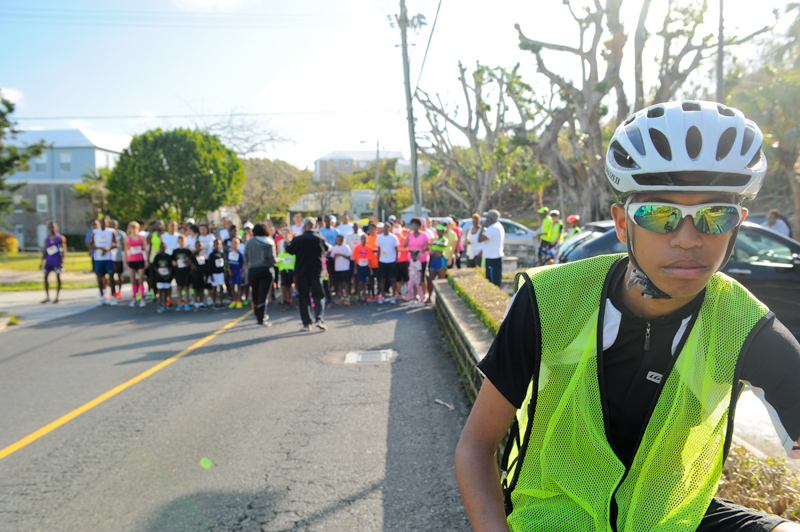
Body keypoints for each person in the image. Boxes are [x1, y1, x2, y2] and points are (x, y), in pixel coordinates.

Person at [456, 100, 800, 532]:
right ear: (622, 223)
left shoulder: (745, 324)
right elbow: (476, 445)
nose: (689, 239)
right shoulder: (548, 300)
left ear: (738, 224)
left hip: (669, 517)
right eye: (659, 215)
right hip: (553, 517)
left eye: (715, 215)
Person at [285, 217, 330, 331]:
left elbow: (289, 250)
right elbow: (326, 248)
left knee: (304, 297)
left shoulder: (298, 239)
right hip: (316, 271)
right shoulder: (319, 238)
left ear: (304, 226)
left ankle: (307, 323)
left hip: (302, 271)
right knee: (318, 296)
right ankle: (319, 319)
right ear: (314, 226)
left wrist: (289, 240)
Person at [244, 223, 276, 326]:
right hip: (266, 270)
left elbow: (246, 257)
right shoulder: (269, 242)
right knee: (263, 294)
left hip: (253, 270)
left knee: (255, 293)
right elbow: (273, 259)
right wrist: (281, 259)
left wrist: (249, 266)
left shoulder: (249, 243)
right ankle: (261, 318)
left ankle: (258, 315)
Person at [91, 218, 118, 306]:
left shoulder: (111, 231)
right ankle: (103, 296)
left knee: (111, 277)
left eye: (104, 223)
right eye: (101, 223)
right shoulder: (95, 232)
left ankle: (112, 297)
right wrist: (100, 248)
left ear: (107, 224)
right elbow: (89, 244)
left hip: (109, 258)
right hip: (98, 258)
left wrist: (107, 249)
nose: (103, 224)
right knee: (100, 277)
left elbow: (116, 244)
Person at [405, 217, 431, 302]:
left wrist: (420, 252)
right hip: (412, 260)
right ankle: (415, 295)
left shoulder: (424, 235)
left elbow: (427, 246)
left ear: (419, 226)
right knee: (413, 277)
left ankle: (424, 294)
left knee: (422, 277)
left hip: (422, 259)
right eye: (412, 225)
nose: (413, 227)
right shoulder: (410, 235)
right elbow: (405, 245)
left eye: (415, 225)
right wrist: (407, 237)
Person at [40, 221, 66, 304]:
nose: (52, 228)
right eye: (50, 227)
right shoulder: (47, 238)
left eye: (53, 227)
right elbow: (45, 250)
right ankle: (47, 296)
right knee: (45, 277)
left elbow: (64, 250)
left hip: (56, 261)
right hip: (49, 261)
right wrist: (42, 261)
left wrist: (62, 261)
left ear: (56, 227)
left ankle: (57, 297)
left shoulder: (60, 238)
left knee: (58, 278)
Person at [477, 209, 504, 287]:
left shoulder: (493, 228)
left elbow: (479, 239)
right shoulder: (498, 225)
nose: (486, 220)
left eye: (487, 218)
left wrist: (482, 227)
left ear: (491, 219)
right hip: (495, 256)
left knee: (492, 282)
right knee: (496, 280)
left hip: (492, 258)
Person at [125, 221, 148, 308]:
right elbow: (126, 251)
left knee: (141, 280)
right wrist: (125, 262)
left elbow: (145, 249)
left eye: (136, 228)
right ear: (130, 229)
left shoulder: (141, 238)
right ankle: (135, 298)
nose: (135, 230)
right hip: (132, 260)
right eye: (133, 228)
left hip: (140, 260)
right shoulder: (127, 239)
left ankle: (142, 298)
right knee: (133, 280)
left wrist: (146, 260)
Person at [376, 221, 399, 304]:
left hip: (391, 261)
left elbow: (396, 249)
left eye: (387, 227)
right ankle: (383, 297)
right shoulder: (379, 237)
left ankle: (393, 296)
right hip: (382, 261)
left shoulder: (393, 237)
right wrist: (378, 259)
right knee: (382, 279)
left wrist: (396, 259)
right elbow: (379, 249)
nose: (385, 229)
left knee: (392, 279)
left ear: (390, 228)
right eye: (384, 228)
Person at [172, 235, 194, 311]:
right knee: (179, 287)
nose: (181, 242)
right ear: (177, 241)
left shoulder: (187, 251)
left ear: (185, 241)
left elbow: (191, 260)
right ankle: (180, 303)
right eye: (180, 240)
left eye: (182, 240)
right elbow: (172, 260)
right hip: (178, 271)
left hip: (186, 271)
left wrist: (187, 262)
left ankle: (187, 303)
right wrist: (174, 263)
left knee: (186, 287)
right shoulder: (175, 251)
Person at [275, 227, 295, 311]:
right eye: (283, 232)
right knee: (283, 285)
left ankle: (289, 299)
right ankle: (283, 300)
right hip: (283, 266)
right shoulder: (280, 242)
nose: (285, 234)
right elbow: (279, 253)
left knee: (289, 285)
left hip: (290, 267)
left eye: (286, 232)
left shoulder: (292, 241)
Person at [152, 242, 173, 313]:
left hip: (167, 276)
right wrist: (160, 275)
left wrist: (169, 275)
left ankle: (165, 304)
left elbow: (170, 267)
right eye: (161, 247)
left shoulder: (168, 257)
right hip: (160, 277)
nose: (162, 248)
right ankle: (160, 305)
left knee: (166, 291)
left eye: (163, 247)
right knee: (160, 291)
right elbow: (155, 267)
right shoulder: (157, 257)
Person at [330, 234, 352, 305]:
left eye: (339, 240)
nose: (338, 241)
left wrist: (341, 255)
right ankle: (341, 297)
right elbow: (332, 258)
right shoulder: (334, 247)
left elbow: (349, 257)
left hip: (345, 268)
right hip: (337, 268)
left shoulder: (346, 247)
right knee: (339, 283)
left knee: (345, 283)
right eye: (337, 240)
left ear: (342, 240)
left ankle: (347, 297)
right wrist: (335, 256)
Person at [352, 233, 372, 304]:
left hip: (366, 266)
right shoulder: (357, 248)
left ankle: (364, 296)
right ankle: (359, 296)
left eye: (365, 238)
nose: (364, 240)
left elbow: (370, 259)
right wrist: (355, 268)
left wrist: (371, 269)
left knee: (365, 282)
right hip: (359, 266)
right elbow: (355, 259)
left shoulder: (369, 248)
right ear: (360, 239)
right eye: (362, 238)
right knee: (360, 282)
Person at [227, 237, 245, 309]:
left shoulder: (240, 254)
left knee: (239, 287)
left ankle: (239, 301)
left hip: (238, 271)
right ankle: (233, 300)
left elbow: (243, 264)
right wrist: (229, 270)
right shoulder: (229, 252)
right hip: (232, 271)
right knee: (232, 286)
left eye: (236, 243)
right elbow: (228, 262)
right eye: (234, 243)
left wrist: (243, 272)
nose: (235, 244)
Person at [110, 219, 126, 300]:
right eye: (112, 224)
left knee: (120, 274)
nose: (113, 225)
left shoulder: (121, 234)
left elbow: (125, 245)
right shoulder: (108, 233)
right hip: (110, 257)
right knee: (111, 275)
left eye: (115, 224)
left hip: (119, 257)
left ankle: (119, 291)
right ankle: (113, 293)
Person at [190, 240, 207, 310]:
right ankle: (196, 302)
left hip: (202, 274)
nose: (199, 247)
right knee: (196, 289)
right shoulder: (193, 254)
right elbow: (187, 260)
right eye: (198, 245)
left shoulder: (203, 254)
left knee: (201, 289)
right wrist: (192, 265)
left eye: (200, 245)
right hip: (195, 274)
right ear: (195, 246)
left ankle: (201, 302)